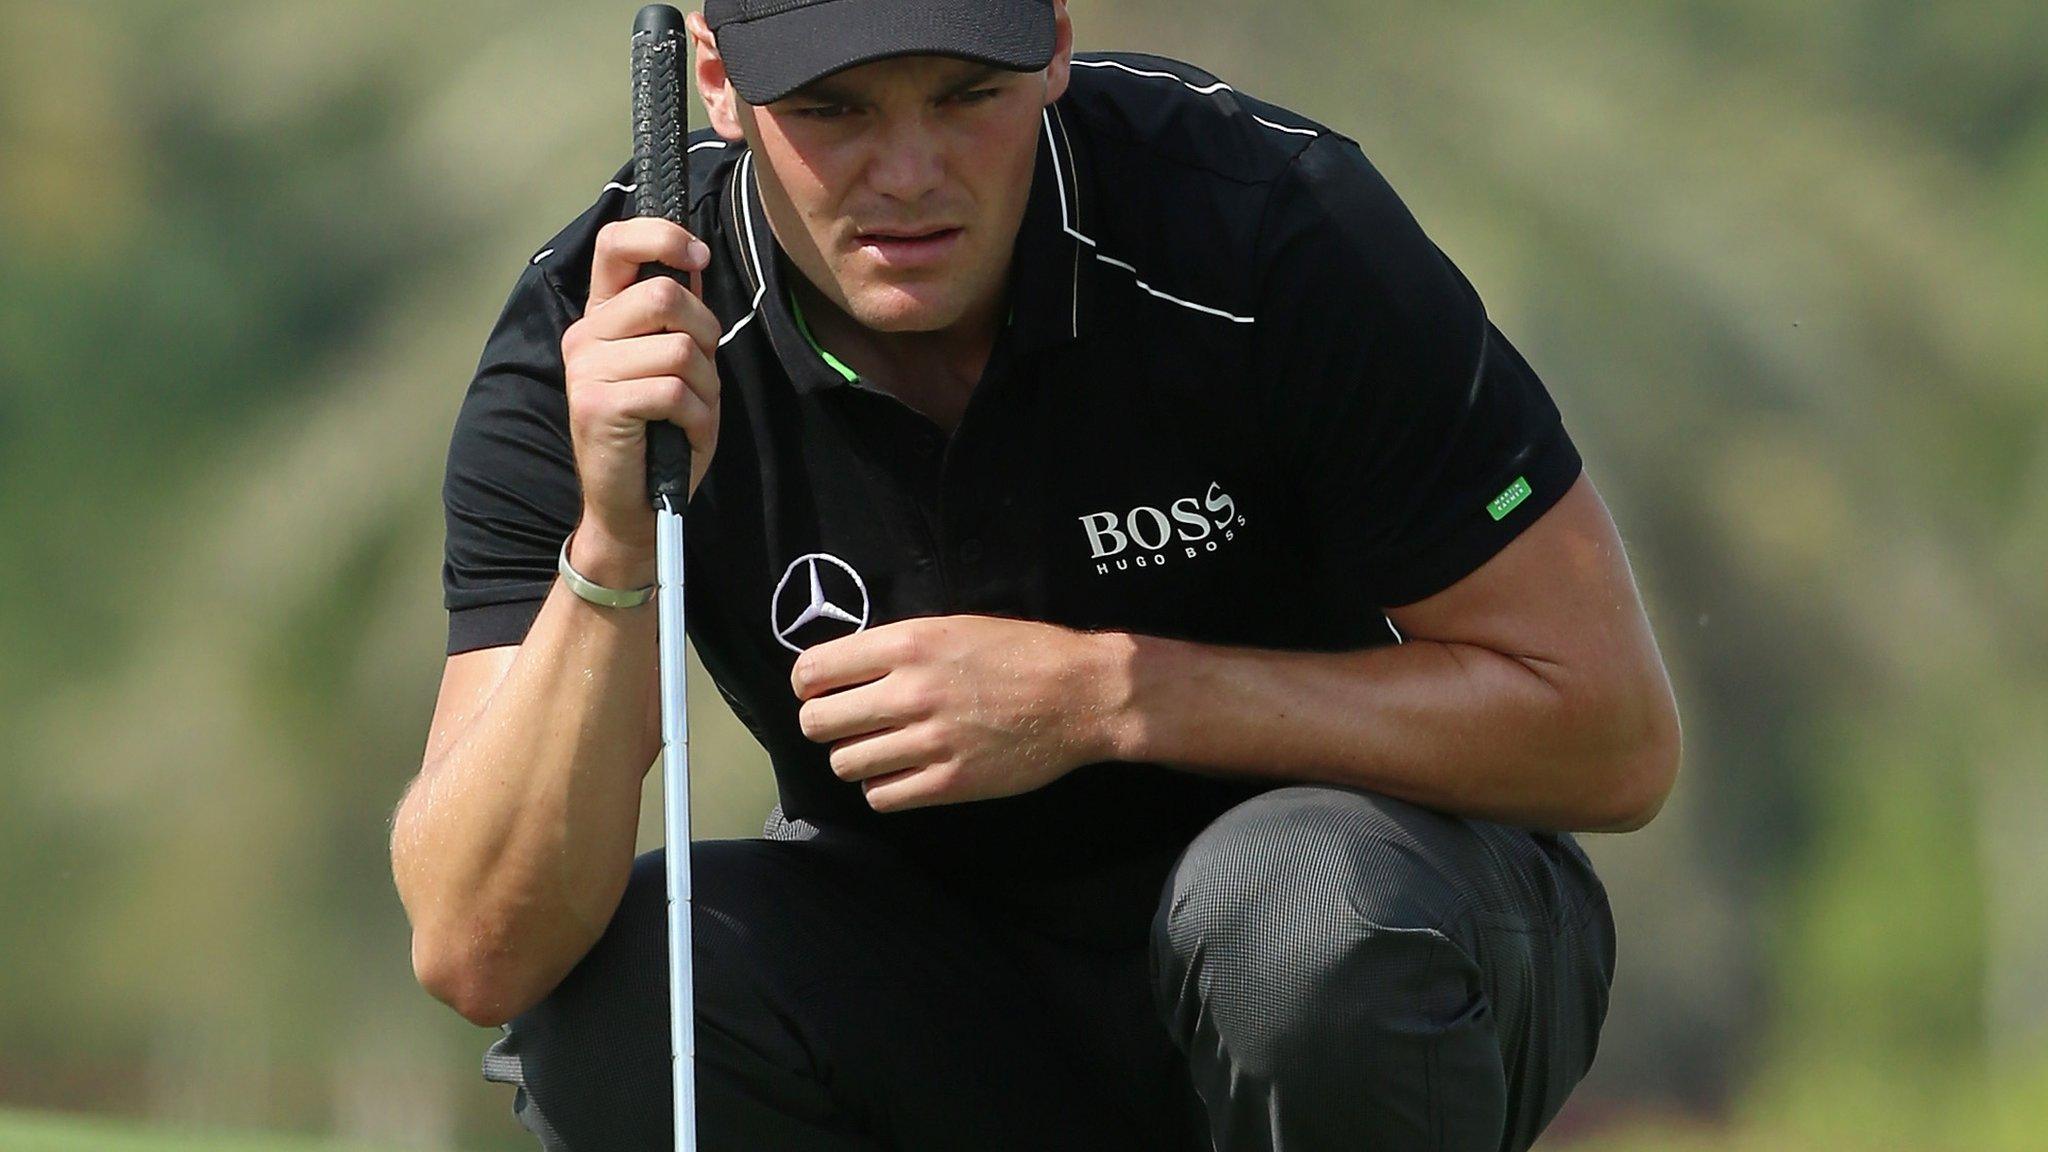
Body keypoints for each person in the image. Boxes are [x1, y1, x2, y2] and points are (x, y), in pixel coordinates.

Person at [390, 0, 1681, 1148]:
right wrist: (613, 551)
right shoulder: (607, 334)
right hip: (947, 993)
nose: (908, 174)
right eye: (833, 110)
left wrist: (1109, 697)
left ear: (1056, 41)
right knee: (636, 992)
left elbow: (1612, 736)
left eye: (965, 96)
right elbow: (476, 945)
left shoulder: (1264, 229)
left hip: (1364, 943)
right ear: (716, 82)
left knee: (1293, 926)